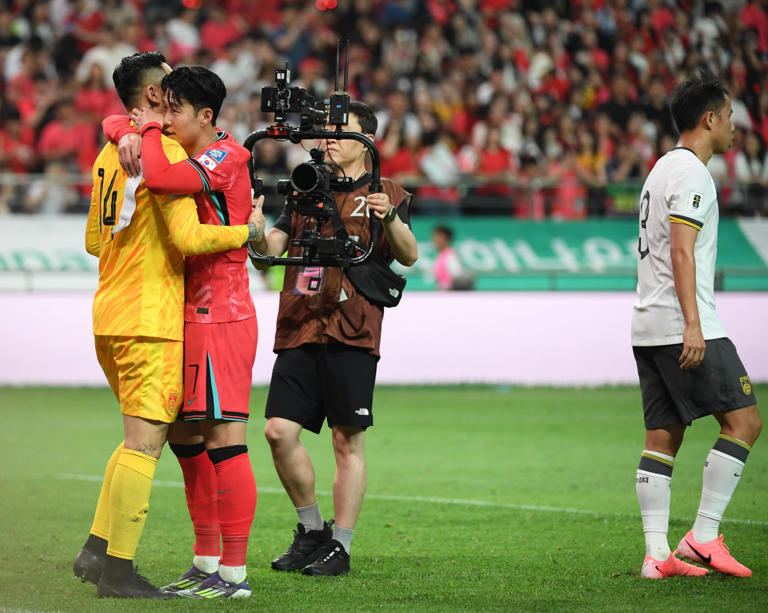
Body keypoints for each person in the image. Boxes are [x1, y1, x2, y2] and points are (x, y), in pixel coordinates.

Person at [73, 51, 261, 599]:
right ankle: (119, 571)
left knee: (168, 440)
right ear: (155, 99)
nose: (172, 103)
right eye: (167, 94)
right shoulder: (161, 149)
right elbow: (186, 237)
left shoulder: (111, 152)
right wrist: (247, 233)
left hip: (113, 310)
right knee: (147, 444)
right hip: (152, 314)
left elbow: (92, 240)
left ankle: (101, 550)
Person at [248, 101, 418, 576]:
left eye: (343, 130)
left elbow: (409, 255)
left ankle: (339, 547)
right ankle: (312, 530)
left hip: (353, 327)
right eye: (328, 130)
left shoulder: (387, 191)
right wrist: (256, 235)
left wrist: (390, 218)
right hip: (301, 319)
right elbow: (272, 249)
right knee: (278, 432)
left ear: (367, 141)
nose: (330, 137)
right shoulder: (305, 185)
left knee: (347, 440)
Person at [631, 72, 762, 580]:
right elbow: (682, 250)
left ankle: (655, 555)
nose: (733, 127)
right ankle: (703, 538)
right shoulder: (691, 174)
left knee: (662, 435)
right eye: (729, 117)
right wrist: (692, 325)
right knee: (745, 422)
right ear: (709, 119)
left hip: (646, 323)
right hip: (682, 322)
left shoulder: (660, 169)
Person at [432, 225, 473, 291]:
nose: (435, 239)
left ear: (446, 239)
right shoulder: (440, 256)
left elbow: (458, 279)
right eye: (434, 236)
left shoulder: (451, 256)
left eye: (438, 237)